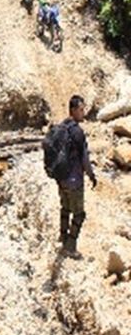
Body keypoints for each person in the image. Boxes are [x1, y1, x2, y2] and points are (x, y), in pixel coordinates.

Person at [45, 95, 97, 258]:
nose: (83, 113)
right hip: (74, 181)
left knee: (65, 208)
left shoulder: (61, 127)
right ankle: (70, 246)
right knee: (79, 214)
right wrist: (92, 176)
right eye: (81, 110)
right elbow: (84, 159)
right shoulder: (77, 132)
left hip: (61, 178)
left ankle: (62, 236)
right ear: (73, 110)